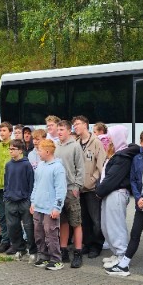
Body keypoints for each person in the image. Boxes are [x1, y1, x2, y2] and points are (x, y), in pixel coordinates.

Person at [105, 130, 143, 277]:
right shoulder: (137, 159)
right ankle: (124, 265)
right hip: (141, 203)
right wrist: (138, 197)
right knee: (135, 233)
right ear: (141, 143)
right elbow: (133, 180)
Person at [97, 125, 138, 269]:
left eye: (111, 136)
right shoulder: (117, 154)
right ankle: (116, 252)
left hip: (116, 193)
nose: (108, 139)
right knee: (107, 225)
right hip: (109, 193)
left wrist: (99, 191)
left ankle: (122, 255)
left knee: (116, 226)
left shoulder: (123, 157)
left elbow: (112, 178)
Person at [73, 115, 107, 259]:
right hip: (79, 188)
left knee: (95, 220)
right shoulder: (75, 143)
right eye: (74, 124)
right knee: (83, 219)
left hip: (92, 188)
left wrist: (93, 179)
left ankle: (96, 245)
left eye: (78, 124)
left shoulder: (96, 142)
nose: (75, 127)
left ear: (85, 125)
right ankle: (87, 244)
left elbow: (101, 164)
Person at [31, 139, 67, 270]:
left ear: (47, 151)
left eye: (40, 150)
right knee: (39, 233)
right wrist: (33, 201)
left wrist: (57, 207)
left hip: (50, 208)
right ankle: (44, 257)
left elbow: (61, 189)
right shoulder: (40, 166)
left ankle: (56, 259)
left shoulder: (58, 168)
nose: (38, 152)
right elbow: (36, 185)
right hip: (38, 207)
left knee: (51, 234)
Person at [54, 120, 85, 268]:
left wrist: (77, 186)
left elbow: (80, 168)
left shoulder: (75, 146)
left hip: (71, 189)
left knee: (76, 222)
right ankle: (63, 250)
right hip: (58, 190)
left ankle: (78, 252)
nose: (59, 132)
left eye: (62, 130)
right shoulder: (55, 146)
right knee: (63, 221)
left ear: (68, 131)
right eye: (58, 130)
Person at [4, 139, 36, 261]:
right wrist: (6, 195)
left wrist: (30, 200)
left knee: (29, 227)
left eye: (13, 149)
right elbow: (6, 182)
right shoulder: (8, 165)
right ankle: (20, 248)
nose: (11, 151)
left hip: (24, 201)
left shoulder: (27, 165)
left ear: (20, 150)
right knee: (13, 227)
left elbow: (31, 183)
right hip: (10, 200)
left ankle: (32, 250)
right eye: (10, 149)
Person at [0, 122, 13, 253]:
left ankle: (14, 241)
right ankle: (5, 240)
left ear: (10, 132)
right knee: (2, 215)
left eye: (4, 130)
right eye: (0, 130)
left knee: (12, 215)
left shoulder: (14, 146)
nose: (2, 133)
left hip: (10, 187)